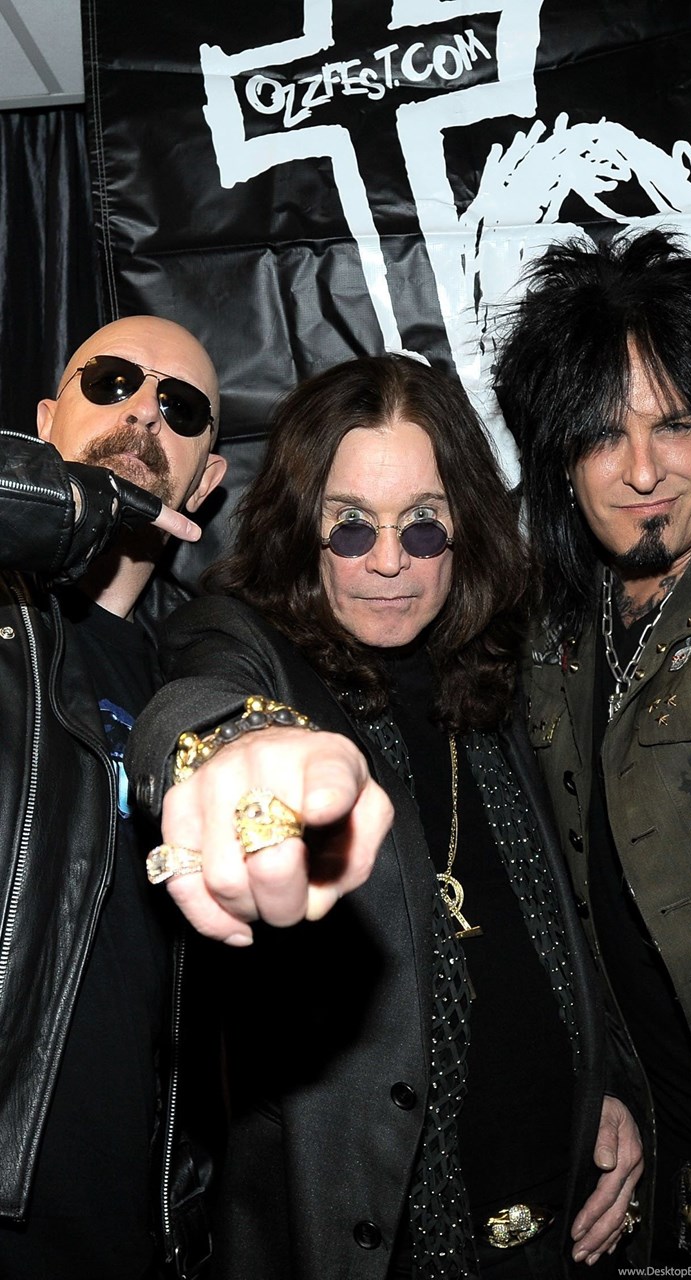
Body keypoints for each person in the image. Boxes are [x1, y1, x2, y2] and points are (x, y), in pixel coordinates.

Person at [127, 352, 644, 1280]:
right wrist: (230, 751)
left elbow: (568, 921)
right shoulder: (246, 644)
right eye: (352, 526)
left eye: (424, 526)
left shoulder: (492, 673)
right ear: (302, 528)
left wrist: (604, 1081)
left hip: (563, 1226)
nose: (390, 560)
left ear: (465, 528)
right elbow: (199, 700)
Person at [0, 316, 387, 1280]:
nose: (143, 412)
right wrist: (60, 507)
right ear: (44, 422)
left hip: (127, 1234)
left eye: (180, 408)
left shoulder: (184, 668)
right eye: (111, 381)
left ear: (207, 480)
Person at [493, 229, 691, 1267]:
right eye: (604, 435)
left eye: (674, 423)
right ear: (560, 464)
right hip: (671, 1189)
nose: (644, 469)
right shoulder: (554, 636)